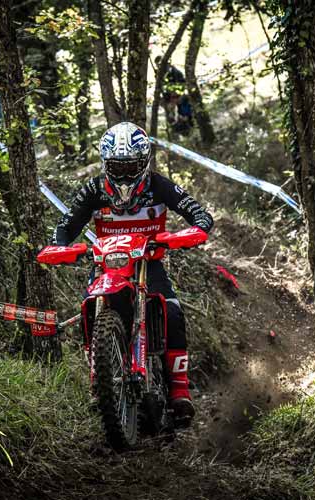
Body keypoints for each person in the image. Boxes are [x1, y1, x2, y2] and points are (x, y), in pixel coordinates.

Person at [53, 122, 214, 426]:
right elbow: (67, 225)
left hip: (147, 264)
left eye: (132, 167)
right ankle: (99, 385)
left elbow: (199, 213)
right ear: (106, 164)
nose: (125, 175)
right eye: (118, 167)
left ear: (144, 163)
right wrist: (59, 246)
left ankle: (180, 390)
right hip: (107, 266)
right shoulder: (94, 189)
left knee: (172, 312)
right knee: (88, 309)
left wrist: (190, 232)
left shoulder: (158, 185)